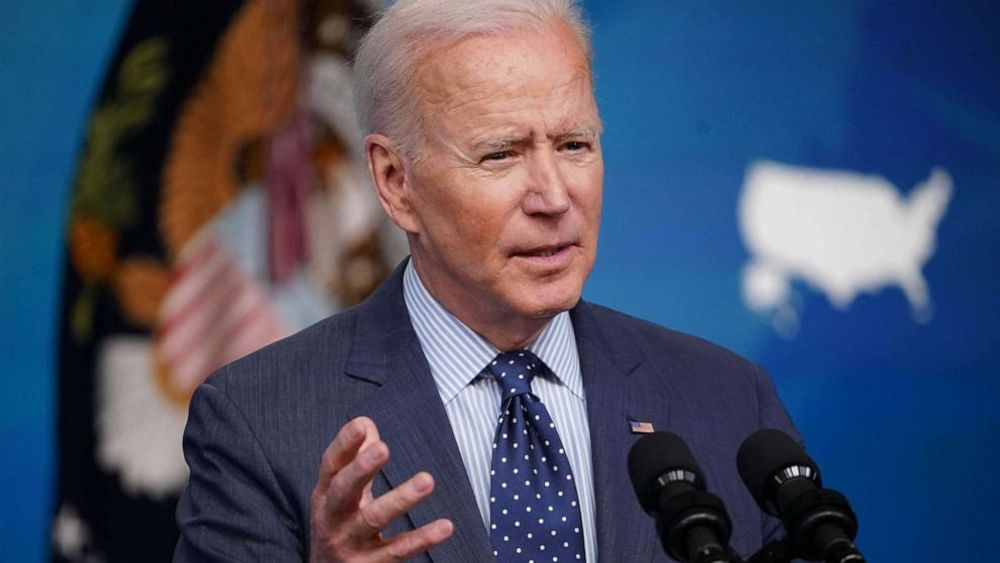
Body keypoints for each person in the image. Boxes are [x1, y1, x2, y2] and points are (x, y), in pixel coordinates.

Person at [174, 1, 799, 561]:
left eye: (575, 145)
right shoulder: (257, 421)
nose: (555, 197)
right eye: (500, 154)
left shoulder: (730, 403)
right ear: (396, 182)